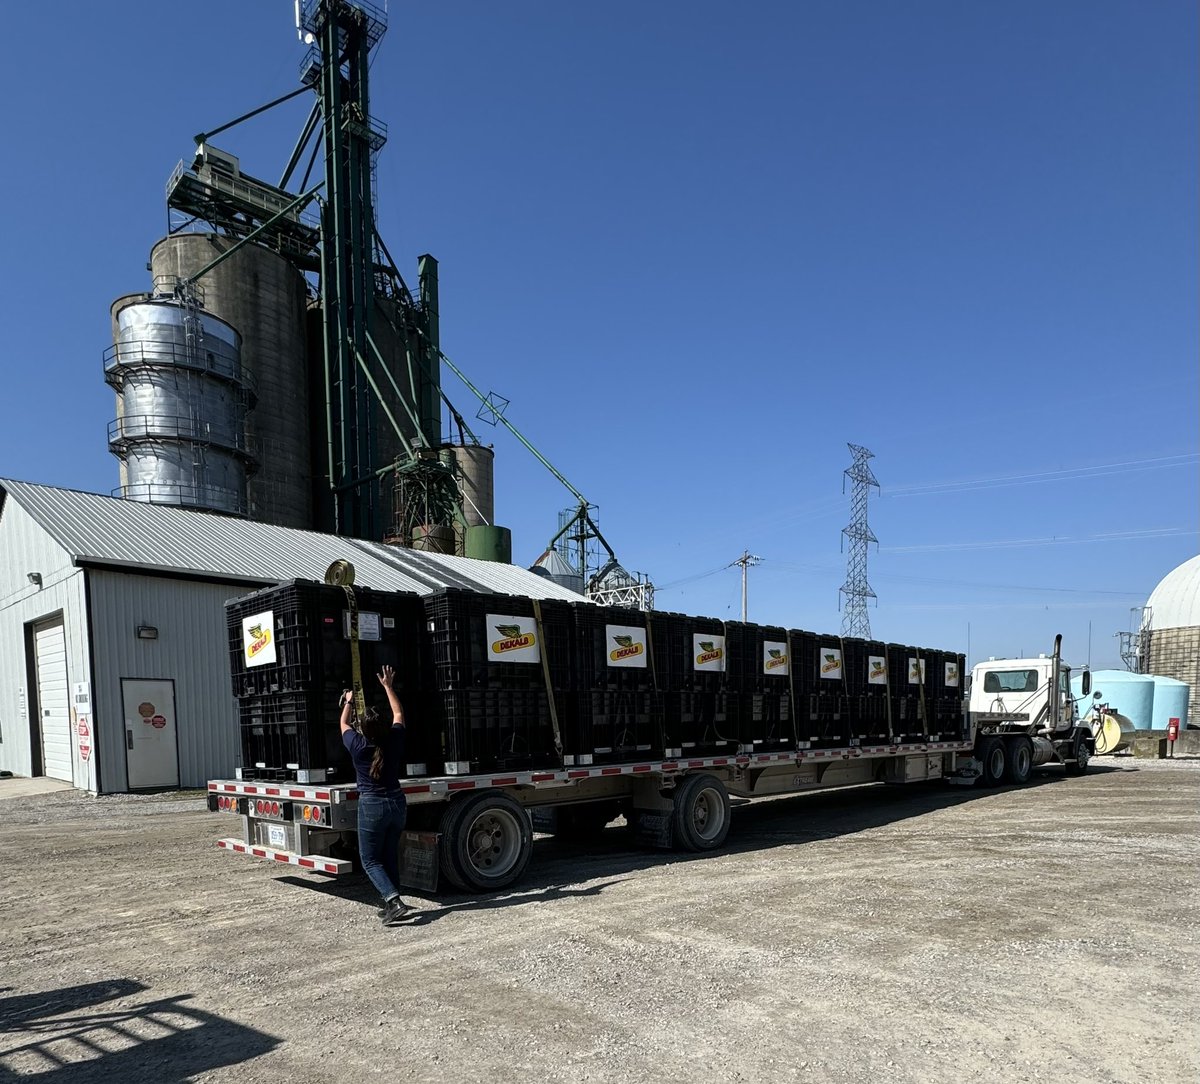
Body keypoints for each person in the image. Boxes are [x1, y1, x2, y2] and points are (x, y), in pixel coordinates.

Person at [339, 664, 411, 927]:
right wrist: (388, 687)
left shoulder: (358, 746)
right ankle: (394, 902)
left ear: (364, 730)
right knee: (389, 854)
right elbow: (399, 712)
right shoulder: (394, 739)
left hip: (372, 805)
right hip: (397, 803)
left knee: (369, 860)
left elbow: (343, 722)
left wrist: (348, 701)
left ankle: (393, 900)